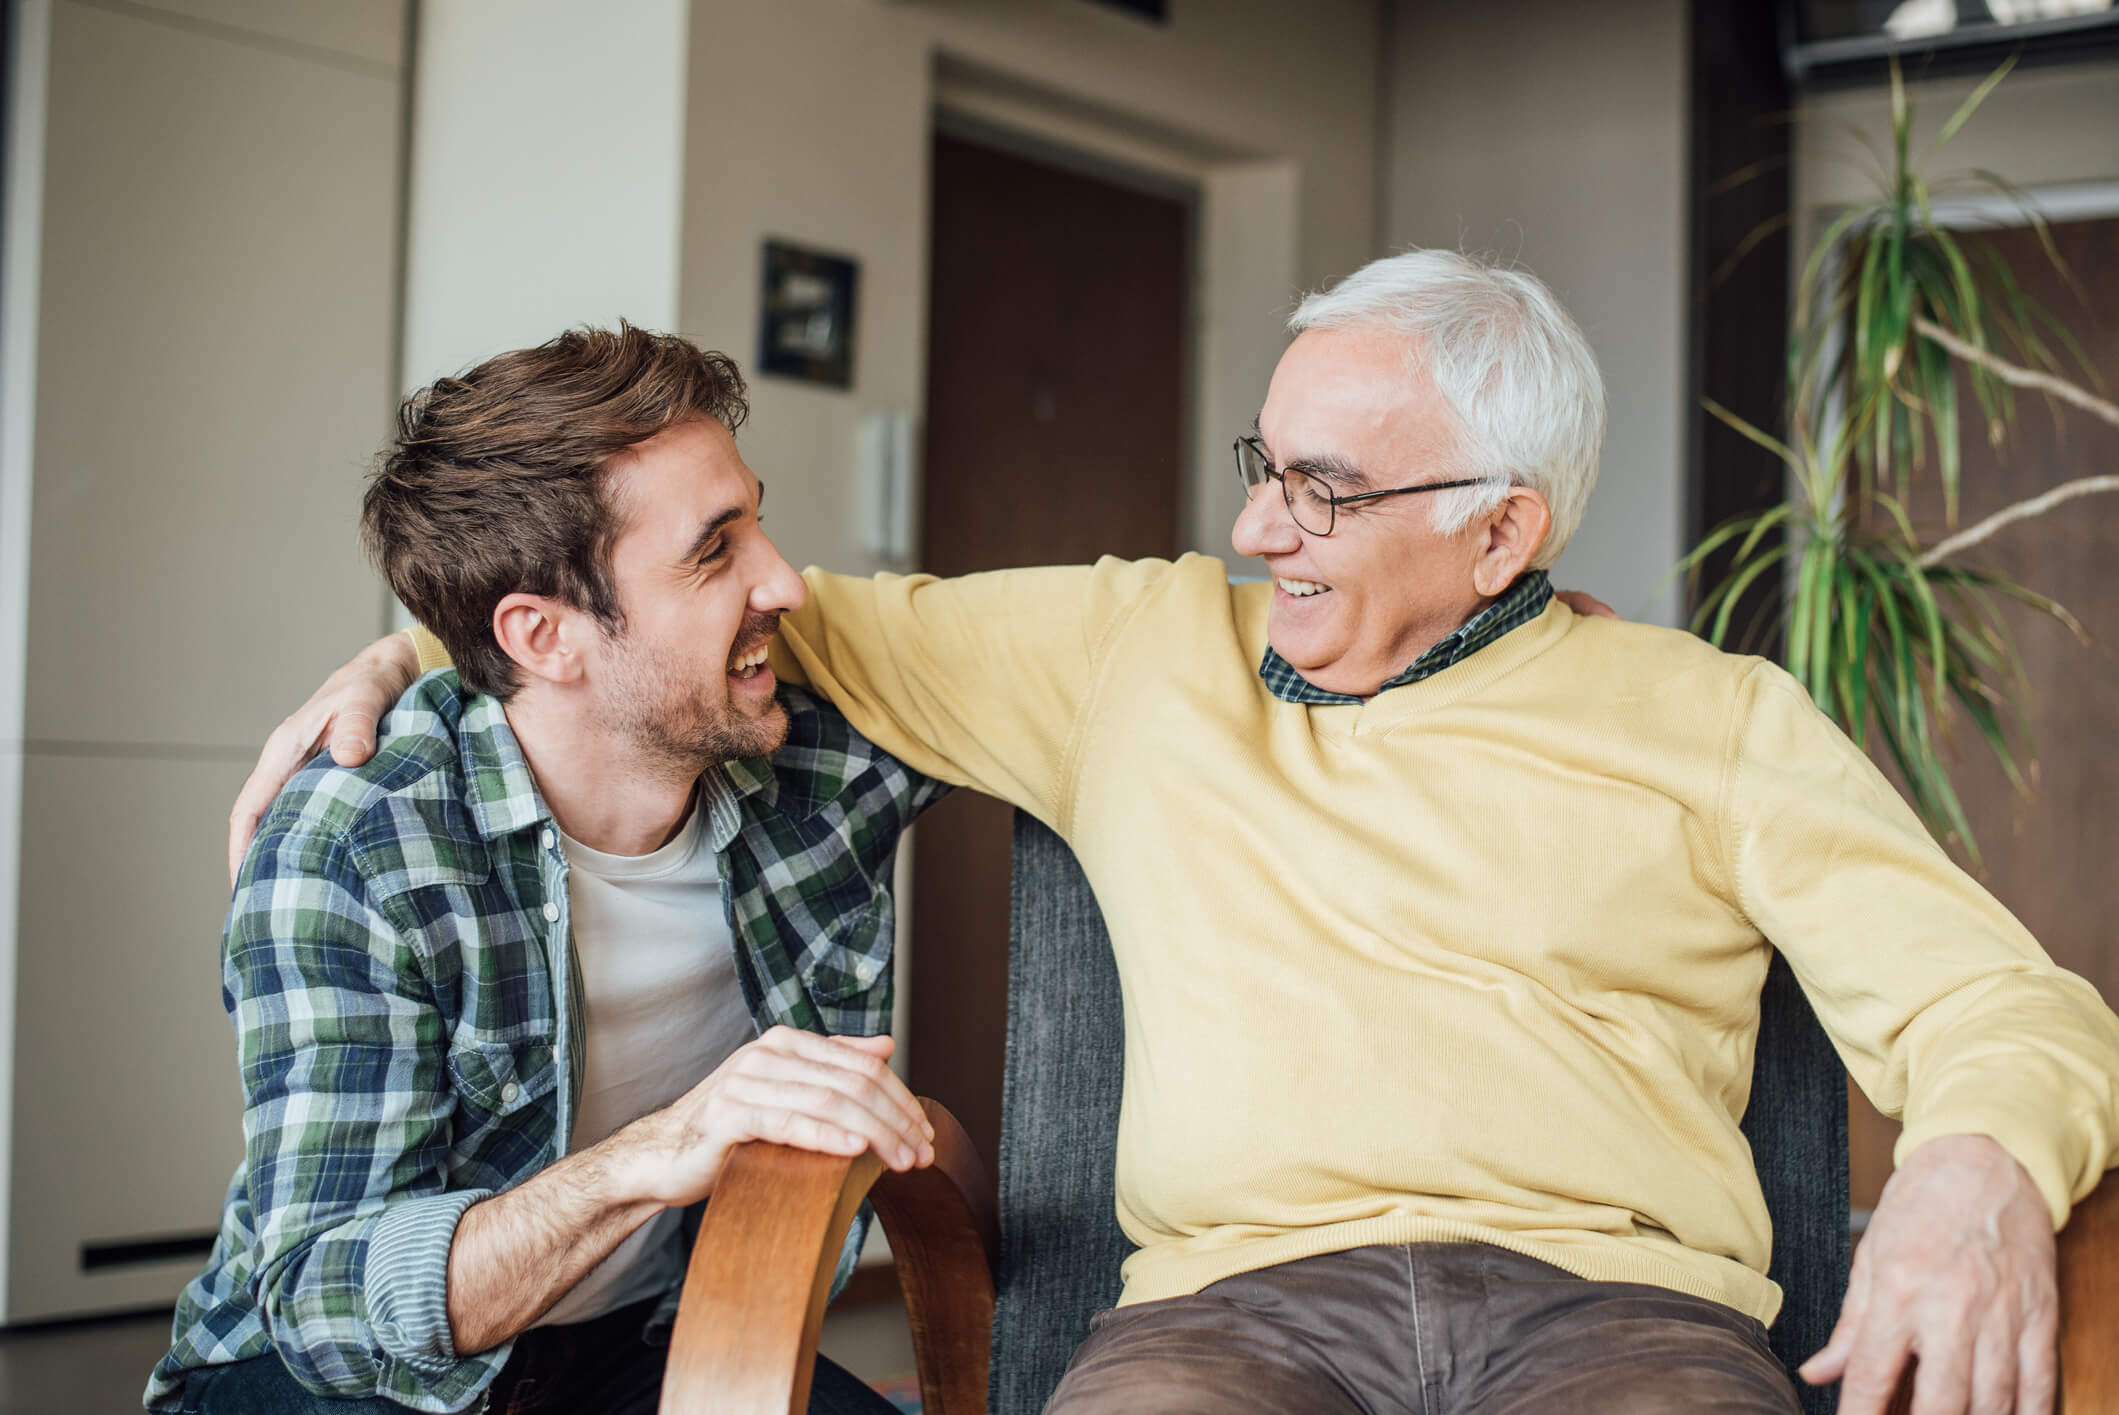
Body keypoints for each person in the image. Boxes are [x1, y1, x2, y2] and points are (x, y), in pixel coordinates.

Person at [246, 252, 2119, 1415]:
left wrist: (1966, 1175)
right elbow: (647, 625)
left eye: (1324, 490)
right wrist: (425, 641)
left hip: (1617, 1322)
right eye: (1260, 468)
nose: (1258, 533)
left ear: (1500, 532)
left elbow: (2005, 1010)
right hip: (1234, 1320)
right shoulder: (1131, 648)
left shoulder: (1708, 720)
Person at [150, 328, 948, 1414]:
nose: (786, 584)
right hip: (336, 1380)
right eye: (715, 550)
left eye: (758, 519)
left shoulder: (822, 759)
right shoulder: (358, 839)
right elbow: (321, 1293)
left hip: (642, 1339)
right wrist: (661, 1148)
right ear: (540, 634)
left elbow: (1098, 677)